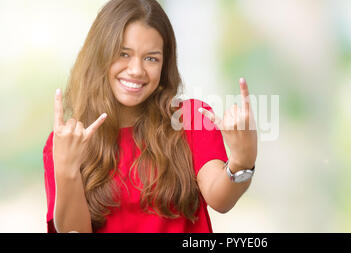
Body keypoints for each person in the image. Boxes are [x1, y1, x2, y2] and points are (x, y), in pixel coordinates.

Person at [42, 0, 257, 233]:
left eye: (151, 58)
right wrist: (66, 169)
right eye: (123, 54)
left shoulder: (191, 117)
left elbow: (220, 199)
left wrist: (242, 160)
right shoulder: (67, 142)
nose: (136, 70)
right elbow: (75, 231)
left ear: (165, 65)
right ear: (100, 55)